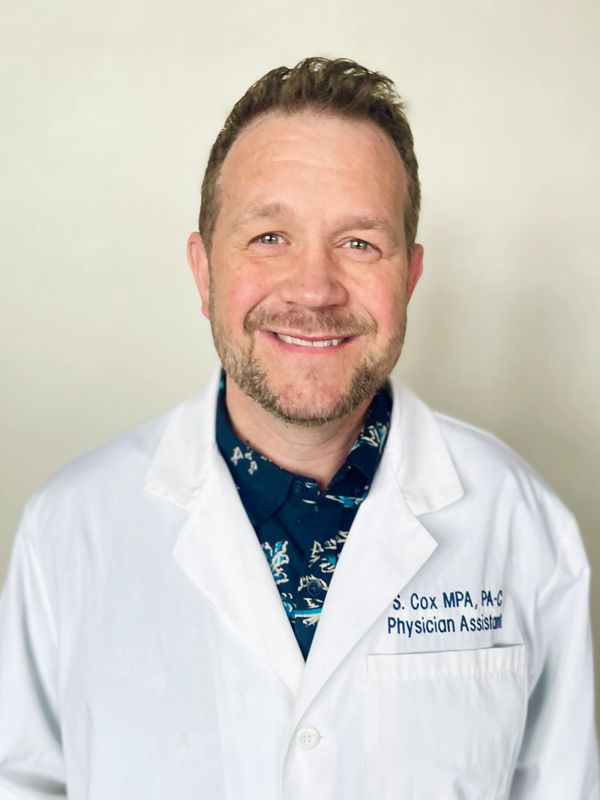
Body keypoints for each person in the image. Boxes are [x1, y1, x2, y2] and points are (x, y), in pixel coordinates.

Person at [0, 57, 597, 800]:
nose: (314, 290)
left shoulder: (522, 525)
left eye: (358, 244)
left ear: (409, 278)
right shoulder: (70, 529)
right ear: (204, 272)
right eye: (270, 237)